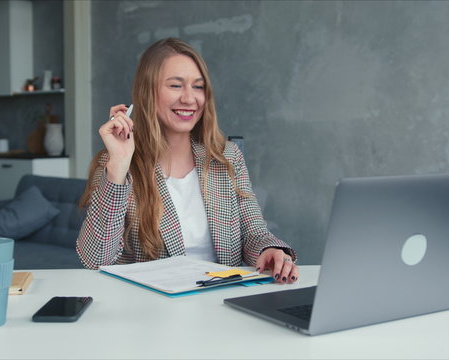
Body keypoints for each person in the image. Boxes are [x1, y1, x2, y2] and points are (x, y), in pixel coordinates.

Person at [76, 38, 299, 284]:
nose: (189, 98)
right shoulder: (115, 164)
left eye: (198, 87)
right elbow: (96, 259)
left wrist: (269, 251)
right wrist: (119, 163)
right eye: (175, 85)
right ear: (147, 92)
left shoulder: (227, 156)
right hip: (150, 311)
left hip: (223, 304)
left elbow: (254, 232)